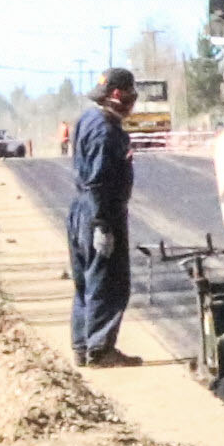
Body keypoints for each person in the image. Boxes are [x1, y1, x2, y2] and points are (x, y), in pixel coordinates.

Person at [67, 69, 141, 368]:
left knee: (86, 281)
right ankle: (100, 349)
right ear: (118, 96)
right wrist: (101, 224)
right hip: (99, 211)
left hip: (81, 209)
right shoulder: (105, 131)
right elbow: (97, 180)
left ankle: (83, 346)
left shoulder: (88, 119)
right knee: (107, 281)